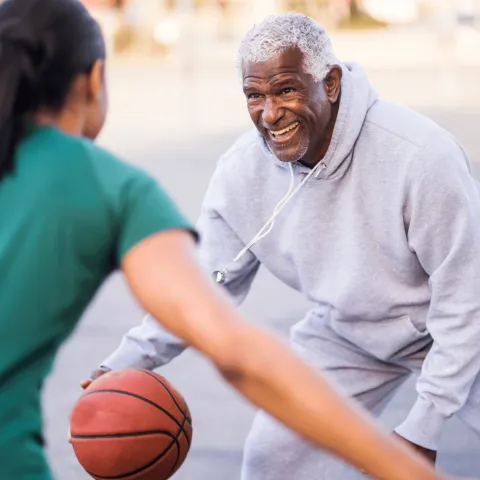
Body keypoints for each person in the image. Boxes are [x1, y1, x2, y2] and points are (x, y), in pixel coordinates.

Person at [0, 2, 453, 480]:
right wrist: (407, 472)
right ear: (94, 78)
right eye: (255, 94)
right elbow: (228, 342)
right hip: (11, 459)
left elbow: (467, 303)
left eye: (284, 90)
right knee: (275, 453)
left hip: (453, 330)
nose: (270, 111)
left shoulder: (417, 153)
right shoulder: (110, 187)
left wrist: (422, 428)